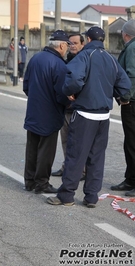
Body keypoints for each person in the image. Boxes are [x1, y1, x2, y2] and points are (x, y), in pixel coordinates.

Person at [47, 26, 131, 207]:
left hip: (85, 113)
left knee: (75, 156)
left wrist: (71, 92)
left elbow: (74, 79)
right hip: (103, 116)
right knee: (97, 157)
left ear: (89, 39)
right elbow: (125, 85)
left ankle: (66, 196)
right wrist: (116, 95)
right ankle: (91, 197)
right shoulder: (110, 58)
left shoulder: (86, 56)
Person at [23, 30, 71, 194]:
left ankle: (29, 181)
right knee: (46, 151)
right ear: (62, 45)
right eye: (67, 46)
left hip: (33, 112)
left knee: (32, 148)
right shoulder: (59, 65)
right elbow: (62, 94)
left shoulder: (35, 58)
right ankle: (42, 183)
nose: (67, 50)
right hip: (50, 114)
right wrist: (67, 104)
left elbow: (26, 86)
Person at [51, 33, 86, 180]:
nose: (72, 45)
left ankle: (82, 170)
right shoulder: (65, 60)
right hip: (66, 108)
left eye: (75, 43)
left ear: (82, 44)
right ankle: (67, 167)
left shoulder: (85, 60)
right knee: (65, 140)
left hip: (80, 109)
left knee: (79, 141)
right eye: (70, 43)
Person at [111, 19, 135, 196]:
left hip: (132, 102)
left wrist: (125, 98)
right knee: (130, 143)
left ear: (126, 34)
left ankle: (133, 181)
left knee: (132, 143)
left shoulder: (132, 48)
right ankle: (130, 179)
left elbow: (131, 75)